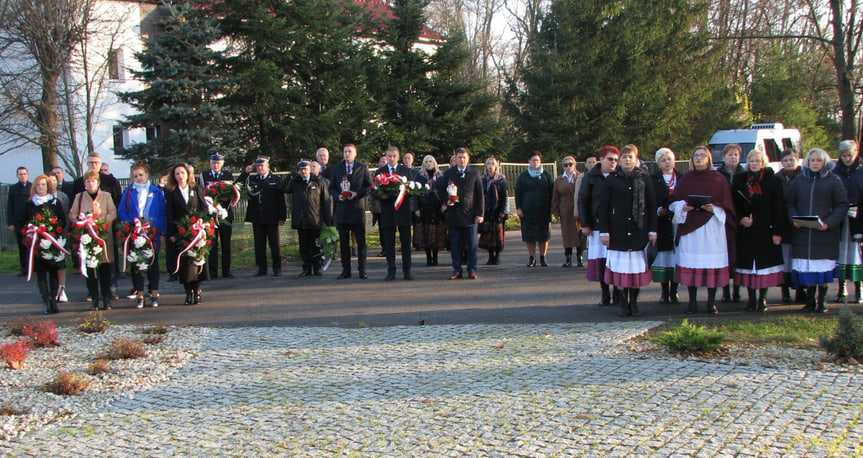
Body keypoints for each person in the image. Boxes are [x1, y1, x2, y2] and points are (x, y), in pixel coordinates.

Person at [669, 146, 737, 314]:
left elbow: (727, 205)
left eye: (702, 156)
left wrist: (714, 207)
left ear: (708, 159)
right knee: (692, 264)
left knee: (710, 265)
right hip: (691, 228)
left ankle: (711, 302)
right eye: (696, 155)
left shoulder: (718, 179)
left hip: (711, 228)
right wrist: (682, 206)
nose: (698, 158)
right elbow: (674, 201)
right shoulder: (686, 178)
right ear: (691, 159)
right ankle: (692, 302)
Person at [597, 144, 657, 317]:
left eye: (630, 157)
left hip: (639, 232)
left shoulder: (644, 179)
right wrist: (604, 232)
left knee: (635, 270)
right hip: (618, 233)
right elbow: (604, 207)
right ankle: (623, 304)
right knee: (621, 270)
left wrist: (653, 230)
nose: (627, 160)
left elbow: (652, 205)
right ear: (620, 161)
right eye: (624, 157)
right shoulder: (611, 180)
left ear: (636, 159)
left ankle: (634, 303)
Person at [786, 148, 848, 313]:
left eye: (818, 160)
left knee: (822, 268)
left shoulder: (834, 180)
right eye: (812, 160)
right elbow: (789, 203)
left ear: (824, 162)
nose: (815, 163)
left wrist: (828, 223)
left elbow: (842, 205)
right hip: (803, 233)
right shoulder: (799, 180)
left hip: (825, 234)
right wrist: (794, 218)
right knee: (808, 268)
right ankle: (810, 300)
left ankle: (822, 301)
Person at [731, 149, 790, 312]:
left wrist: (778, 232)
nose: (755, 164)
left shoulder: (773, 181)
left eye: (758, 161)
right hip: (747, 231)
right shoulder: (739, 180)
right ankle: (751, 299)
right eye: (752, 161)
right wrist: (741, 219)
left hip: (766, 230)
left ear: (763, 162)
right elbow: (734, 204)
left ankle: (762, 299)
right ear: (747, 162)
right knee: (749, 267)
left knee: (764, 266)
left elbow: (779, 208)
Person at [118, 162, 167, 308]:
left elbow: (162, 212)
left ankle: (154, 293)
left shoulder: (156, 192)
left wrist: (162, 232)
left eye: (141, 175)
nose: (138, 178)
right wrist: (131, 222)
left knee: (153, 263)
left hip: (152, 232)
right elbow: (121, 211)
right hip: (135, 232)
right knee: (136, 263)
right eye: (135, 176)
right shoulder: (129, 192)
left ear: (147, 175)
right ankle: (139, 294)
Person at [69, 170, 117, 311]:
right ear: (84, 183)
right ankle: (94, 298)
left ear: (98, 183)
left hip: (103, 237)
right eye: (88, 181)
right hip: (87, 237)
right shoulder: (79, 197)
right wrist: (81, 221)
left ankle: (107, 298)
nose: (91, 184)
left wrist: (101, 221)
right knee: (90, 269)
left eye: (93, 181)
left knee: (105, 269)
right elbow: (72, 214)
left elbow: (113, 212)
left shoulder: (106, 196)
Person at [579, 146, 620, 305]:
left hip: (616, 226)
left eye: (616, 160)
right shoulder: (591, 177)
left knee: (616, 260)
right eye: (610, 159)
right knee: (602, 260)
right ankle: (605, 293)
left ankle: (618, 292)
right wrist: (586, 223)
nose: (613, 163)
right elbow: (583, 201)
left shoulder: (619, 176)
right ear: (601, 159)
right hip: (596, 226)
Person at [165, 163, 211, 304]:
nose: (180, 176)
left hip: (196, 231)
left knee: (197, 260)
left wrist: (199, 222)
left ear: (187, 174)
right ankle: (188, 292)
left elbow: (204, 208)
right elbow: (170, 214)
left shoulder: (195, 188)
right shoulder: (171, 191)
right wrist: (172, 233)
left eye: (182, 173)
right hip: (182, 232)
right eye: (177, 173)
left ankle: (197, 290)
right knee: (185, 264)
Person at [437, 147, 484, 280]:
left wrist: (480, 213)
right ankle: (457, 269)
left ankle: (472, 269)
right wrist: (446, 201)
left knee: (472, 245)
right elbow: (440, 190)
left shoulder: (474, 173)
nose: (462, 160)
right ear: (455, 159)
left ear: (468, 159)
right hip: (454, 214)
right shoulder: (449, 173)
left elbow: (480, 195)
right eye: (459, 157)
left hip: (470, 215)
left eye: (464, 157)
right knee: (455, 245)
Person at [238, 156, 287, 277]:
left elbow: (281, 200)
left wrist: (282, 217)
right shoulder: (253, 179)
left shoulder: (276, 179)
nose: (260, 168)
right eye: (258, 166)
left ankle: (277, 267)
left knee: (274, 244)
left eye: (262, 166)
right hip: (257, 217)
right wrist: (246, 172)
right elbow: (238, 184)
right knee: (259, 244)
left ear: (268, 167)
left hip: (272, 217)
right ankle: (262, 268)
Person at [329, 143, 372, 279]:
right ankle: (346, 270)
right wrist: (338, 196)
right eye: (345, 151)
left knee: (361, 243)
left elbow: (369, 186)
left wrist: (357, 193)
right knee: (344, 243)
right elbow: (332, 188)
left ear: (355, 153)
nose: (347, 154)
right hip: (342, 210)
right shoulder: (337, 169)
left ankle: (362, 270)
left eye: (349, 151)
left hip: (357, 210)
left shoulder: (362, 167)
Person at [24, 174, 66, 314]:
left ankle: (54, 299)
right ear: (35, 187)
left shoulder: (55, 203)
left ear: (48, 187)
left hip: (52, 242)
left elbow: (62, 220)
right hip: (37, 243)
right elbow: (23, 221)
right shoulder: (30, 204)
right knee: (41, 274)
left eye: (43, 185)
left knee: (53, 271)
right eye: (38, 185)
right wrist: (31, 228)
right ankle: (46, 300)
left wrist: (52, 229)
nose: (41, 187)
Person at [374, 146, 417, 280]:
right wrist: (384, 195)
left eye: (394, 156)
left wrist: (401, 194)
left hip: (403, 211)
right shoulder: (380, 172)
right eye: (389, 156)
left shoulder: (406, 171)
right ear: (385, 157)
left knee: (405, 243)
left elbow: (412, 191)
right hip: (387, 211)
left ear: (398, 157)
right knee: (389, 243)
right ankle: (391, 270)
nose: (391, 159)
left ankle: (407, 270)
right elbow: (374, 192)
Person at [286, 160, 332, 276]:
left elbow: (326, 202)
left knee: (316, 246)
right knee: (304, 246)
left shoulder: (318, 182)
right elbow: (283, 188)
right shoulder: (295, 183)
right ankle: (306, 268)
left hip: (315, 219)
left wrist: (328, 220)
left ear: (309, 169)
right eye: (301, 170)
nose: (303, 171)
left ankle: (317, 267)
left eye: (305, 169)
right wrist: (291, 175)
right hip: (301, 220)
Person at [832, 140, 863, 303]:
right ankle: (842, 288)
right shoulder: (835, 172)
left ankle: (859, 289)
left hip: (858, 217)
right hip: (840, 218)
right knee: (841, 254)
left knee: (857, 255)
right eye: (844, 155)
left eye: (850, 155)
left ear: (856, 153)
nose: (847, 158)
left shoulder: (861, 171)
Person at [649, 148, 681, 304]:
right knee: (664, 256)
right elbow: (651, 199)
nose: (667, 162)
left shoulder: (681, 177)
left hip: (677, 222)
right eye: (663, 160)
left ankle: (674, 291)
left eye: (669, 159)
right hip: (661, 222)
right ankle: (664, 291)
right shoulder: (653, 179)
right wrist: (658, 210)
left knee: (676, 255)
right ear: (658, 163)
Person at [716, 143, 745, 303]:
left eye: (736, 154)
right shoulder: (719, 175)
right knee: (726, 255)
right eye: (730, 154)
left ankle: (737, 290)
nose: (733, 157)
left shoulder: (745, 173)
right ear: (724, 157)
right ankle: (725, 289)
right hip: (724, 219)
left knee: (739, 255)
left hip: (741, 218)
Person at [515, 151, 554, 267]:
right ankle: (532, 257)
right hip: (528, 211)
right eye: (533, 160)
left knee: (544, 236)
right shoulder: (523, 176)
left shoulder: (547, 175)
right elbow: (518, 193)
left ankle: (543, 257)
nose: (535, 162)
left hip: (544, 211)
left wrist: (552, 208)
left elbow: (552, 192)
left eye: (537, 160)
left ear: (540, 161)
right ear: (529, 162)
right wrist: (519, 208)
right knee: (529, 236)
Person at [200, 152, 235, 279]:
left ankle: (227, 270)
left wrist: (227, 198)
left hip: (225, 214)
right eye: (214, 162)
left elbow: (233, 193)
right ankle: (213, 271)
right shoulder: (204, 175)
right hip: (211, 215)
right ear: (210, 163)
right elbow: (202, 193)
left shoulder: (227, 175)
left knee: (226, 244)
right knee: (212, 244)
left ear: (222, 163)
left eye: (218, 163)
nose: (216, 165)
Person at [777, 149, 804, 303]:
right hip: (783, 224)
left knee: (799, 259)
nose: (788, 163)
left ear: (797, 160)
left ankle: (800, 290)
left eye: (791, 160)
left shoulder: (804, 177)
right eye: (785, 160)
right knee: (785, 260)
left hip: (799, 222)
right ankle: (785, 290)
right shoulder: (777, 178)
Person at [414, 154, 448, 266]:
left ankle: (436, 258)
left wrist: (444, 204)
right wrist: (416, 208)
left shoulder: (440, 177)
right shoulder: (419, 177)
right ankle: (428, 258)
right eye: (426, 162)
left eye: (430, 161)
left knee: (436, 234)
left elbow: (444, 192)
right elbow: (416, 194)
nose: (428, 163)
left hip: (437, 209)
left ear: (434, 163)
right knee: (426, 234)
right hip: (424, 208)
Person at [552, 155, 582, 268]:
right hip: (564, 208)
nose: (568, 167)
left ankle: (579, 257)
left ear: (575, 165)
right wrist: (555, 211)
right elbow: (555, 196)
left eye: (570, 164)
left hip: (577, 208)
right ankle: (568, 258)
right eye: (566, 165)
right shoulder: (559, 180)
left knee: (580, 233)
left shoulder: (580, 177)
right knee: (567, 234)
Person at [479, 157, 508, 265]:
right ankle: (490, 256)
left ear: (496, 166)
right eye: (488, 164)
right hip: (487, 210)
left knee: (498, 235)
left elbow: (504, 196)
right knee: (488, 234)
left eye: (492, 164)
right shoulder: (482, 179)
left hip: (498, 210)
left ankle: (497, 256)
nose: (490, 166)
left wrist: (502, 211)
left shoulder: (501, 179)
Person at [46, 173, 70, 303]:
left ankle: (62, 289)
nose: (52, 183)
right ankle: (51, 290)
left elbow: (65, 214)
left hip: (60, 233)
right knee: (49, 264)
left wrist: (63, 230)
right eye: (48, 181)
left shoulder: (63, 197)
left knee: (60, 262)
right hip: (45, 235)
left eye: (54, 180)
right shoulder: (41, 198)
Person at [573, 152, 598, 267]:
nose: (592, 164)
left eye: (594, 162)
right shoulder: (582, 177)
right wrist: (577, 212)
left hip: (597, 212)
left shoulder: (600, 176)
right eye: (589, 162)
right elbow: (577, 196)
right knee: (583, 236)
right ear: (586, 164)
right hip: (585, 211)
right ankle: (580, 255)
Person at [7, 167, 31, 276]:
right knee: (22, 246)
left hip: (31, 221)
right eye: (20, 174)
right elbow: (10, 207)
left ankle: (33, 267)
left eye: (24, 174)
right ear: (17, 176)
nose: (23, 176)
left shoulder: (32, 187)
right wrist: (10, 223)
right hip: (18, 221)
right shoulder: (13, 189)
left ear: (28, 175)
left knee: (33, 245)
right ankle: (24, 268)